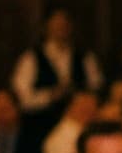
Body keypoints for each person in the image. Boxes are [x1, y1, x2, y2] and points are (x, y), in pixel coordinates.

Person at [11, 8, 105, 141]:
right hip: (41, 129)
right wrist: (51, 95)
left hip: (78, 129)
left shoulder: (84, 57)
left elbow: (96, 87)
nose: (60, 29)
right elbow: (23, 98)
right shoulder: (31, 58)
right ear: (46, 27)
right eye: (56, 25)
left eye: (64, 25)